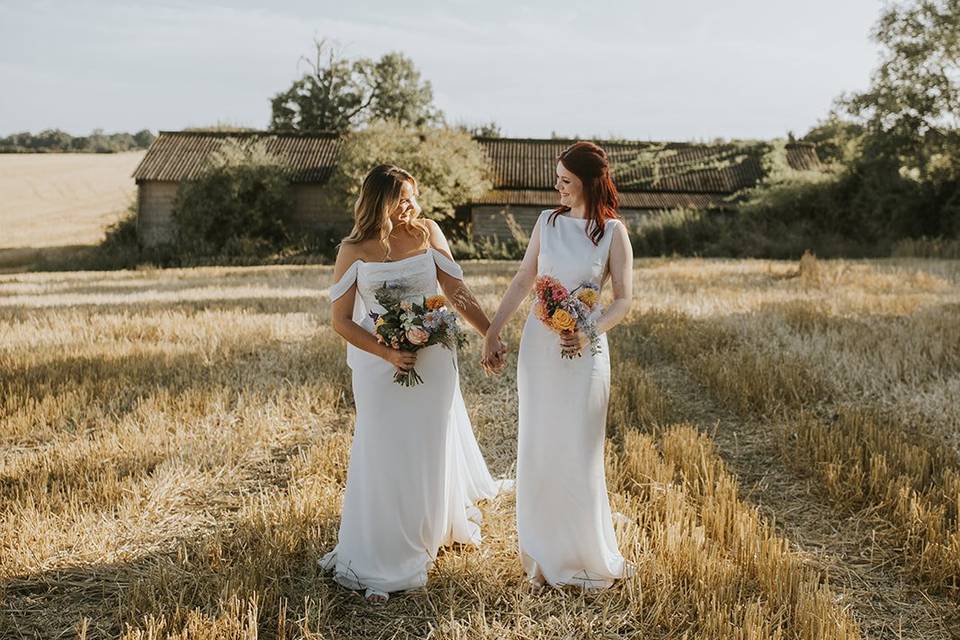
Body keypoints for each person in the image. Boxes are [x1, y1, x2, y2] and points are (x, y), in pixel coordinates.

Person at [320, 164, 505, 604]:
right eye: (401, 198)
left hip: (435, 358)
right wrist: (387, 353)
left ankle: (430, 529)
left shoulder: (427, 233)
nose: (411, 206)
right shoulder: (353, 249)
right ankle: (386, 542)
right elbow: (341, 321)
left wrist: (490, 334)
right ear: (378, 201)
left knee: (429, 443)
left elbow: (456, 292)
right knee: (384, 447)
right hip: (379, 364)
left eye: (413, 196)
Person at [482, 141, 636, 589]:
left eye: (566, 181)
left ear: (588, 182)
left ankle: (584, 553)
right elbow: (524, 278)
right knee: (541, 445)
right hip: (539, 350)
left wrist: (588, 330)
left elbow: (624, 300)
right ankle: (543, 553)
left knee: (579, 448)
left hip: (586, 350)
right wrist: (494, 329)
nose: (558, 188)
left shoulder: (613, 233)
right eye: (557, 180)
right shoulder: (547, 222)